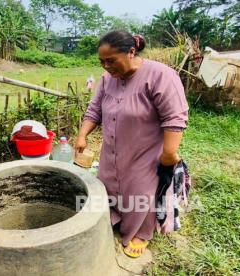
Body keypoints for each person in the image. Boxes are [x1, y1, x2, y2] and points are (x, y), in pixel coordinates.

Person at [75, 30, 189, 258]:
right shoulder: (108, 80)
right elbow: (94, 110)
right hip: (112, 151)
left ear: (131, 52)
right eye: (101, 62)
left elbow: (174, 118)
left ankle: (142, 233)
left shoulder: (161, 76)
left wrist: (169, 153)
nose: (106, 67)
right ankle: (116, 218)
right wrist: (82, 135)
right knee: (109, 186)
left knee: (141, 192)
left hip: (144, 152)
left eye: (111, 61)